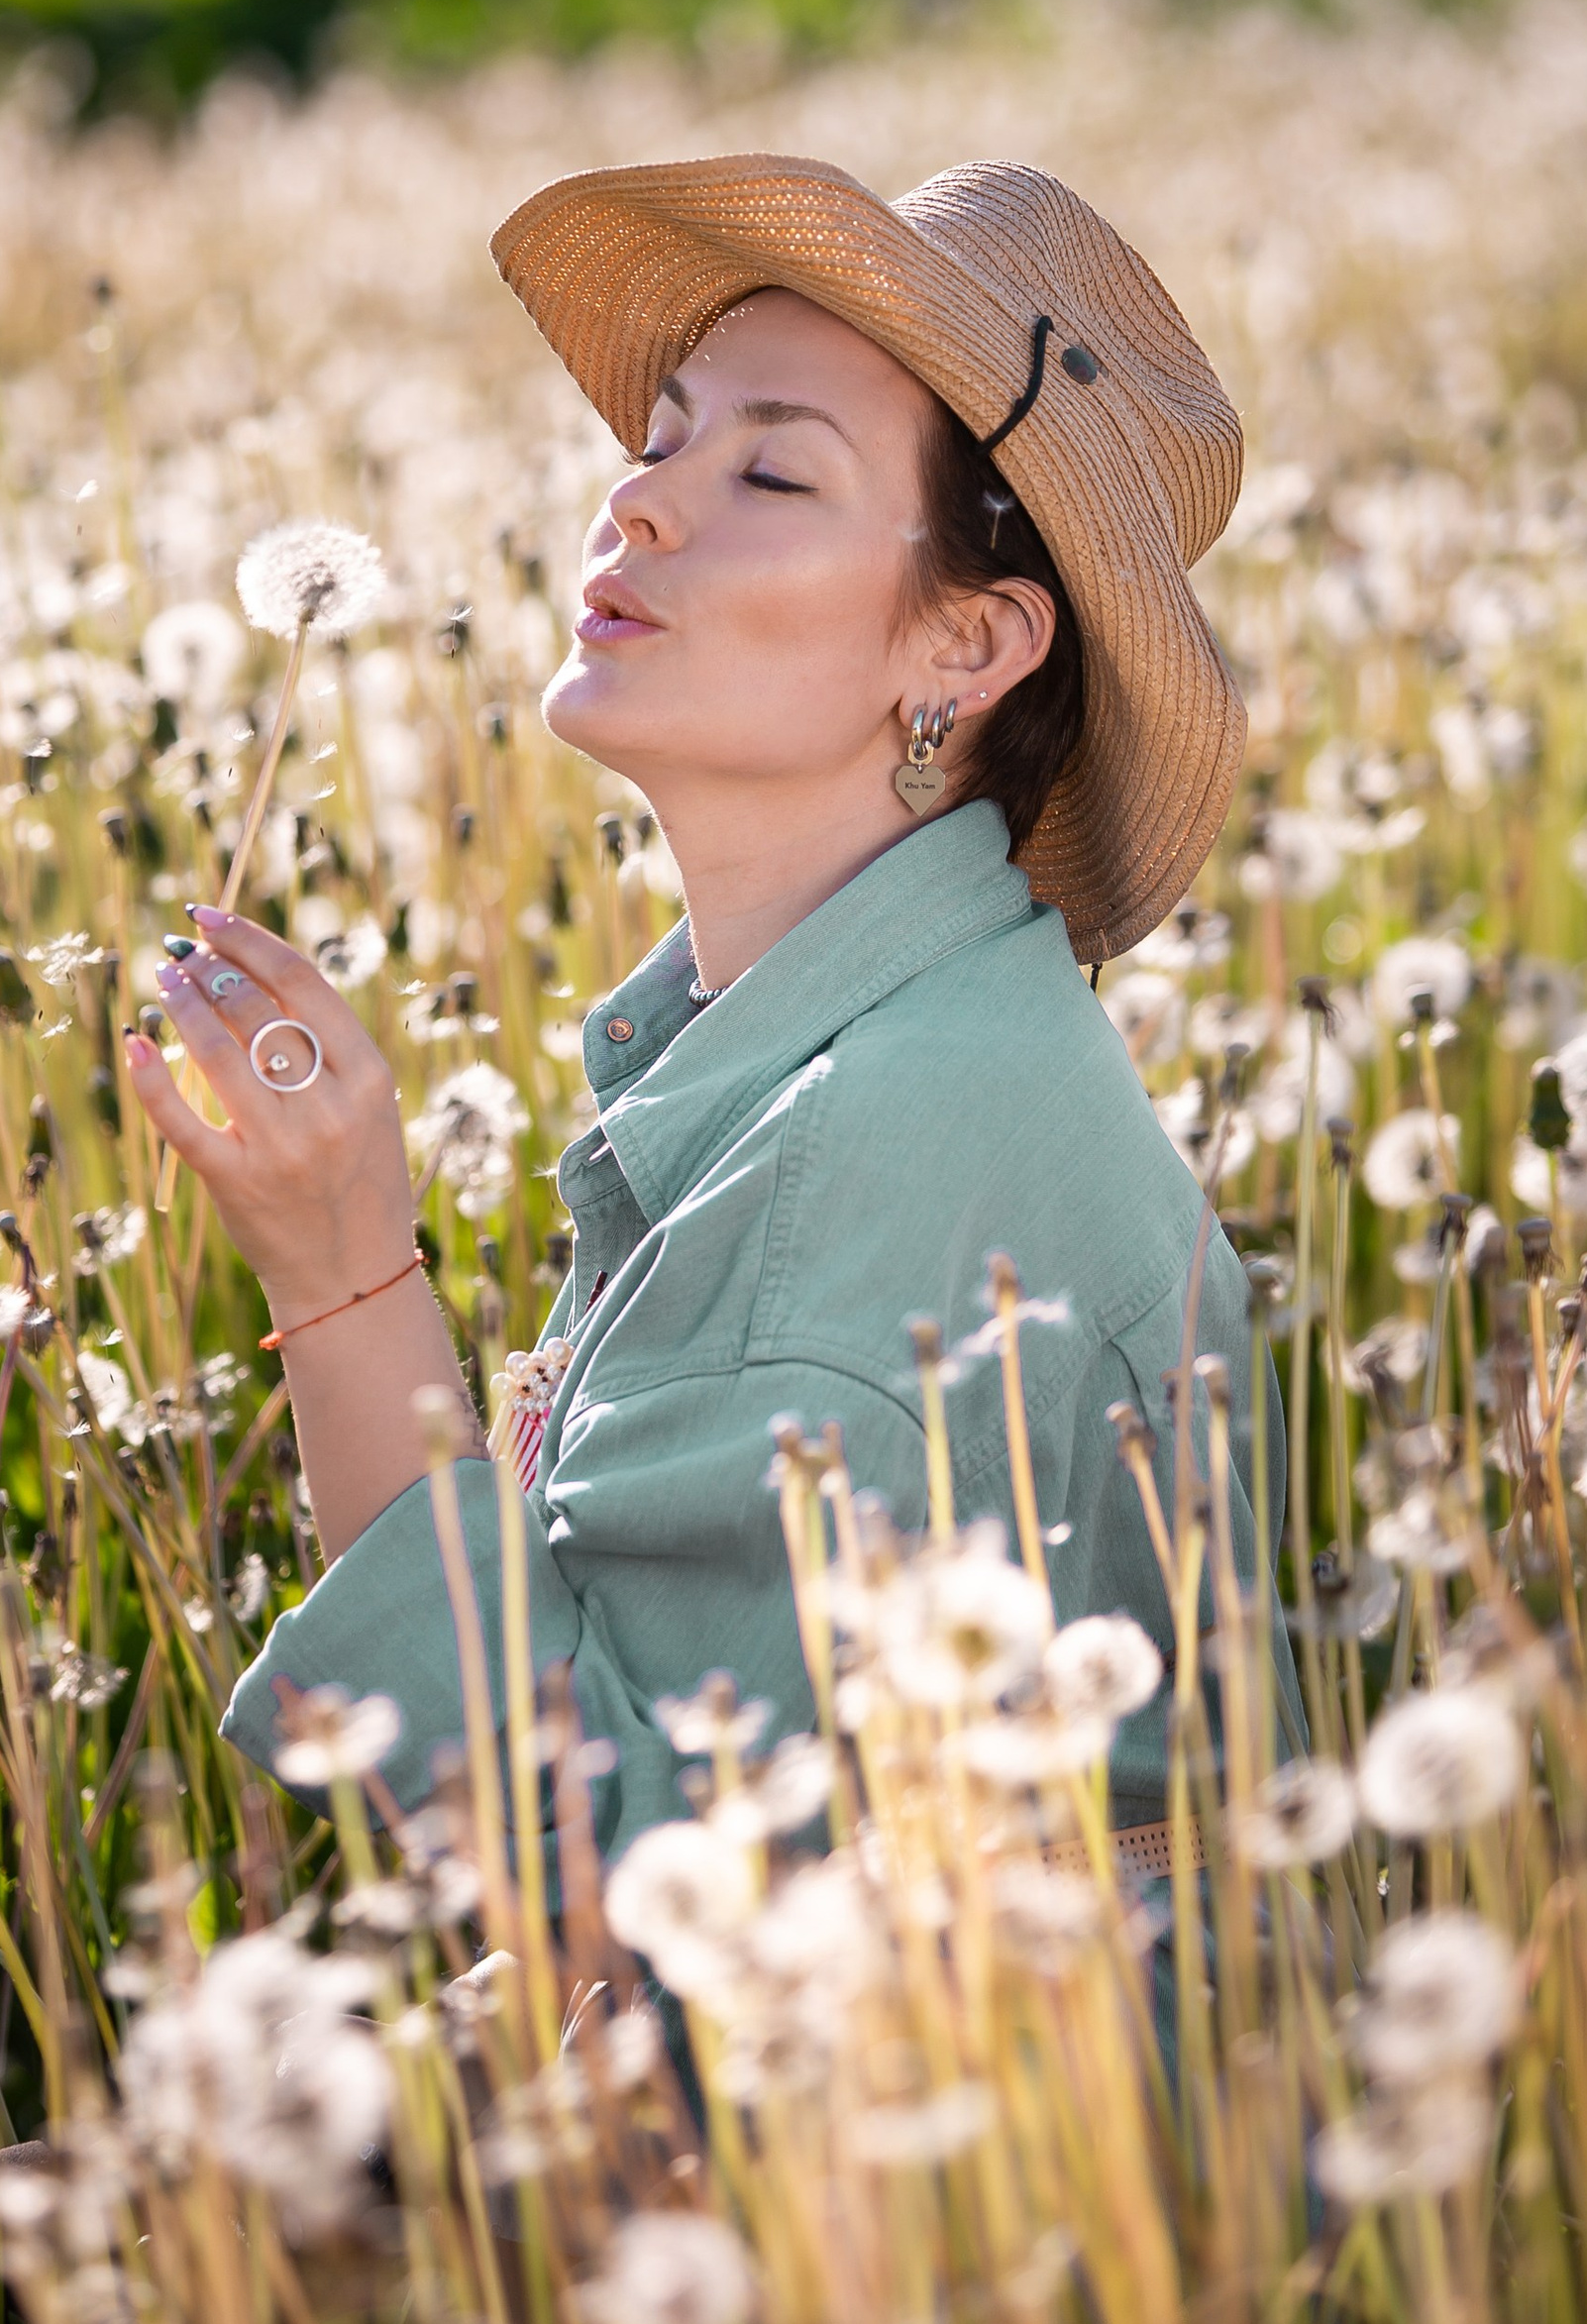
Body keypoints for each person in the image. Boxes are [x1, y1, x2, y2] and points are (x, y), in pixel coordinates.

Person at [122, 153, 1301, 1887]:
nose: (643, 504)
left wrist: (343, 1268)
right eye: (663, 438)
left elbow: (588, 1875)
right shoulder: (880, 1043)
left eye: (770, 469)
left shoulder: (870, 1135)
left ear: (968, 646)